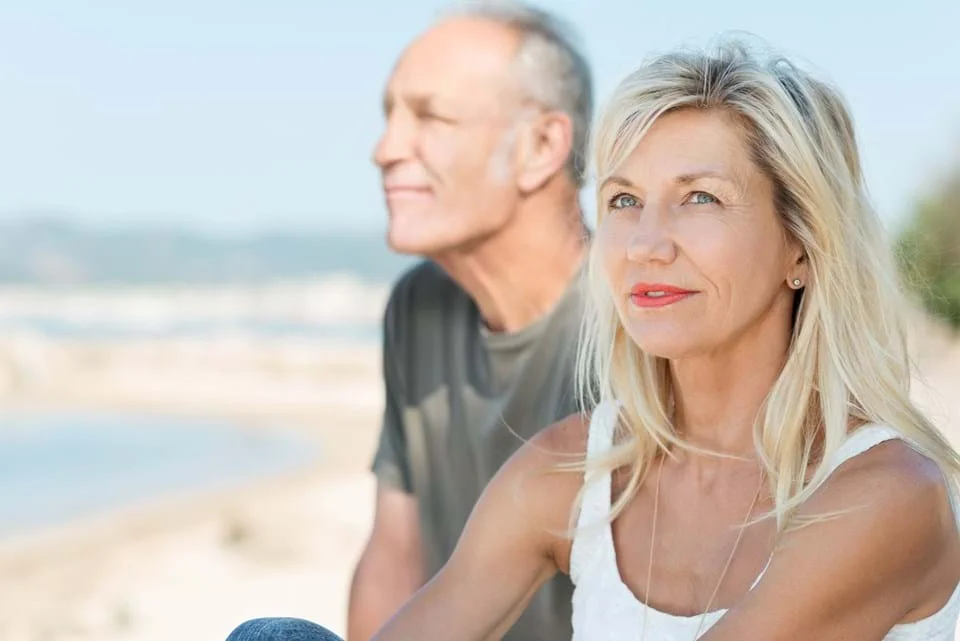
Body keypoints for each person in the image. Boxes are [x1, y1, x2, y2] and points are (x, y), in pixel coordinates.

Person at [228, 36, 960, 641]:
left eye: (699, 197)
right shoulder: (575, 468)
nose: (646, 242)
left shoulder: (884, 495)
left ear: (802, 246)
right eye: (623, 200)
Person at [225, 2, 593, 641]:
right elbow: (395, 553)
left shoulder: (643, 317)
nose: (384, 150)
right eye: (389, 116)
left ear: (542, 146)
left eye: (430, 117)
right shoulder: (420, 306)